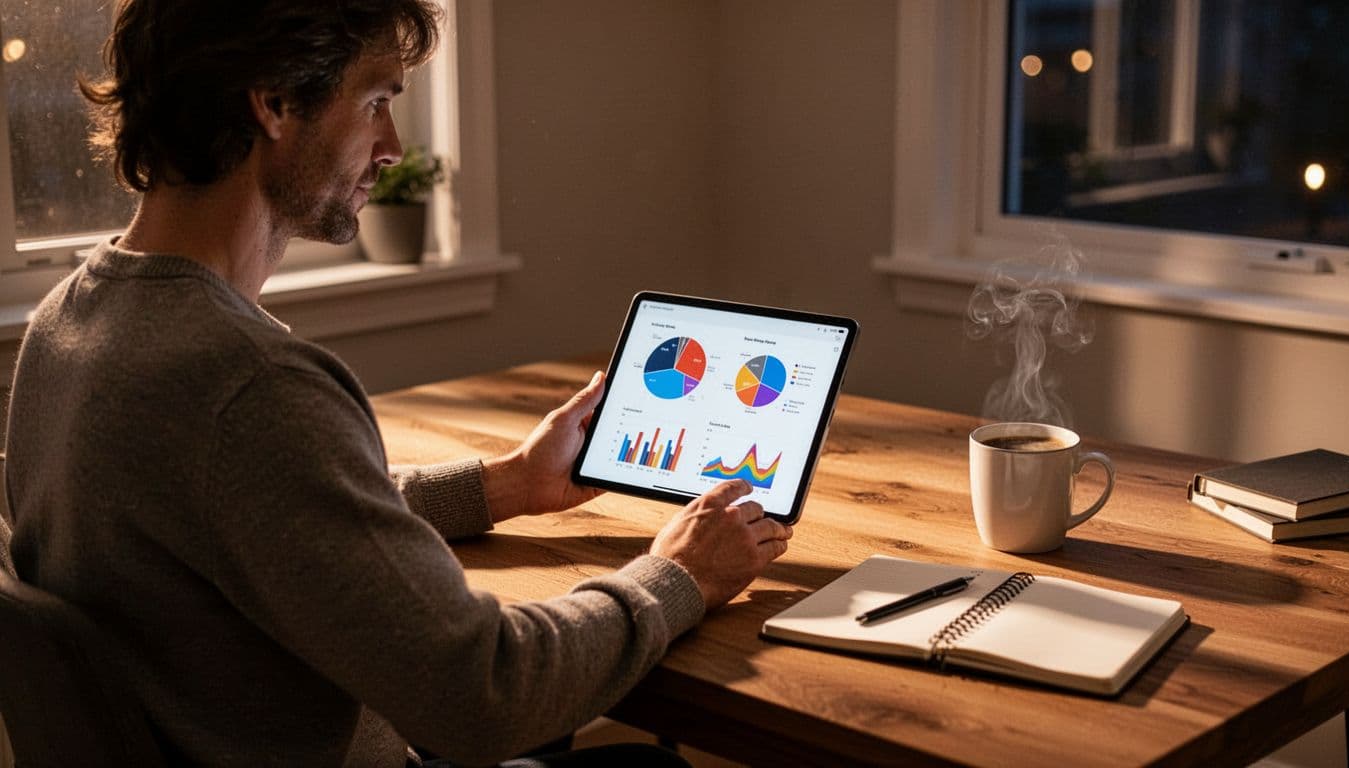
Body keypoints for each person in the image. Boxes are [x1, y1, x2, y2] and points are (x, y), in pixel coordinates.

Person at [1, 1, 793, 766]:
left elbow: (278, 520)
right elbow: (487, 695)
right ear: (273, 101)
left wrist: (507, 484)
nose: (391, 146)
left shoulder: (70, 322)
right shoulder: (251, 388)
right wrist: (678, 576)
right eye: (376, 101)